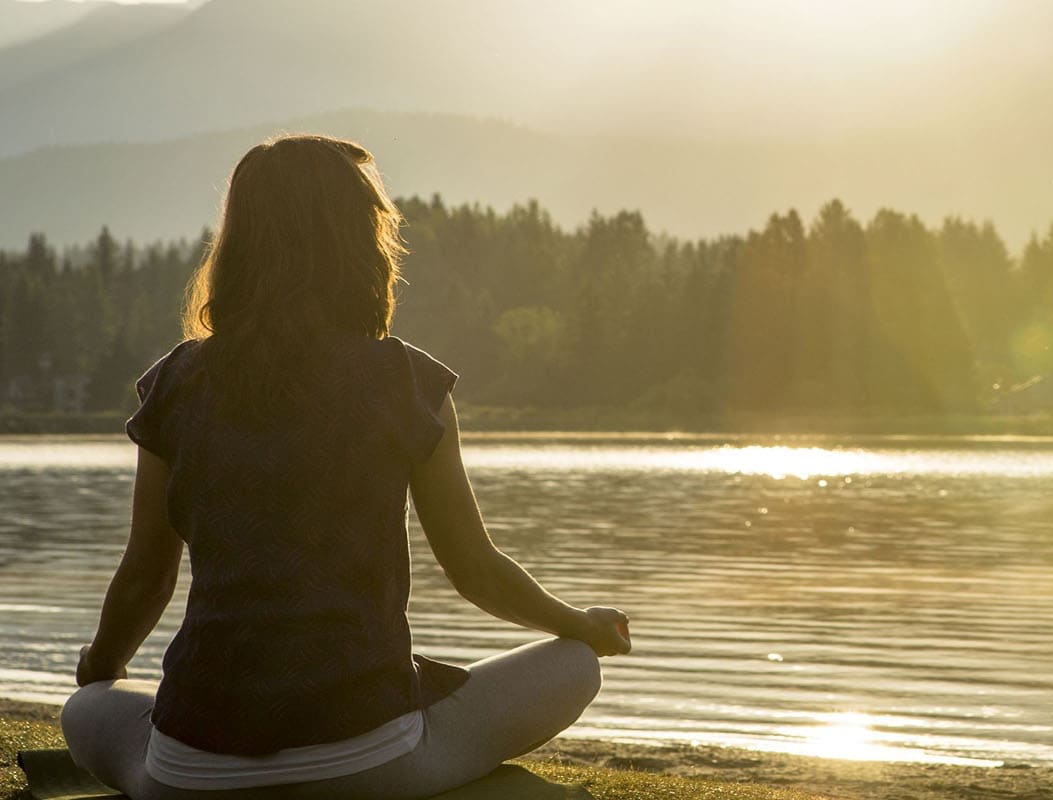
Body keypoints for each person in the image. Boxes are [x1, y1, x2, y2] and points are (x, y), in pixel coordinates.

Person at [59, 134, 632, 800]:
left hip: (190, 774)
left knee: (87, 707)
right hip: (371, 763)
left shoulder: (177, 384)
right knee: (574, 667)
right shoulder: (407, 383)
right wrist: (580, 625)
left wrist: (101, 667)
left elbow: (145, 576)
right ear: (363, 240)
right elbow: (476, 569)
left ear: (239, 242)